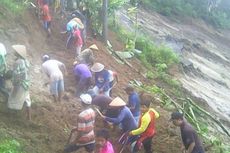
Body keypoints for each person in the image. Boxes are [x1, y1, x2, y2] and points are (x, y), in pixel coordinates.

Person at [8, 45, 31, 120]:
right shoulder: (26, 61)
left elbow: (16, 74)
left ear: (18, 53)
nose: (14, 52)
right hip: (26, 83)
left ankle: (12, 117)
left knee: (13, 98)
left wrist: (14, 83)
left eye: (15, 51)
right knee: (27, 99)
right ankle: (29, 117)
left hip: (20, 83)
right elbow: (27, 72)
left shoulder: (17, 62)